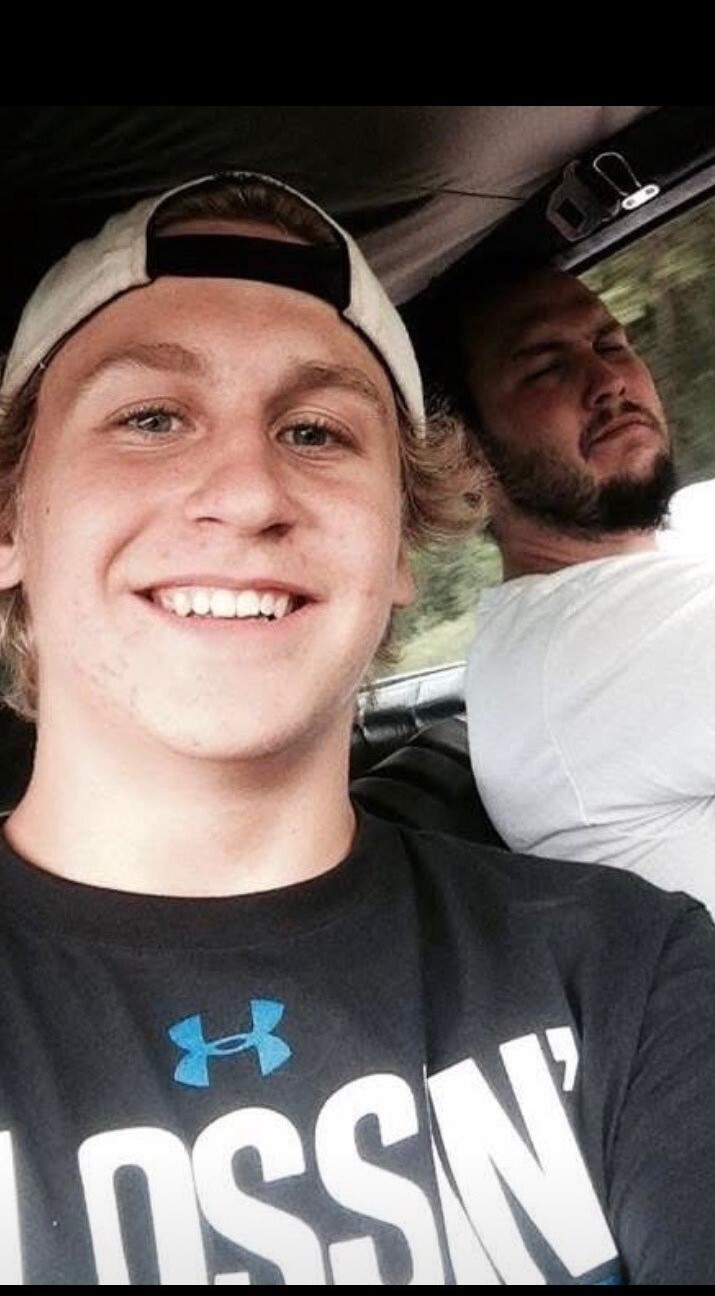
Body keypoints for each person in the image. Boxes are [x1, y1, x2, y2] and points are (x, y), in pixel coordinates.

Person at [0, 174, 713, 1286]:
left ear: (397, 548)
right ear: (10, 520)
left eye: (315, 431)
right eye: (151, 418)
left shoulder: (632, 965)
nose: (248, 493)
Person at [436, 263, 715, 915]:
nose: (608, 380)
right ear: (465, 453)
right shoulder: (592, 647)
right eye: (544, 368)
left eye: (610, 343)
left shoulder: (619, 601)